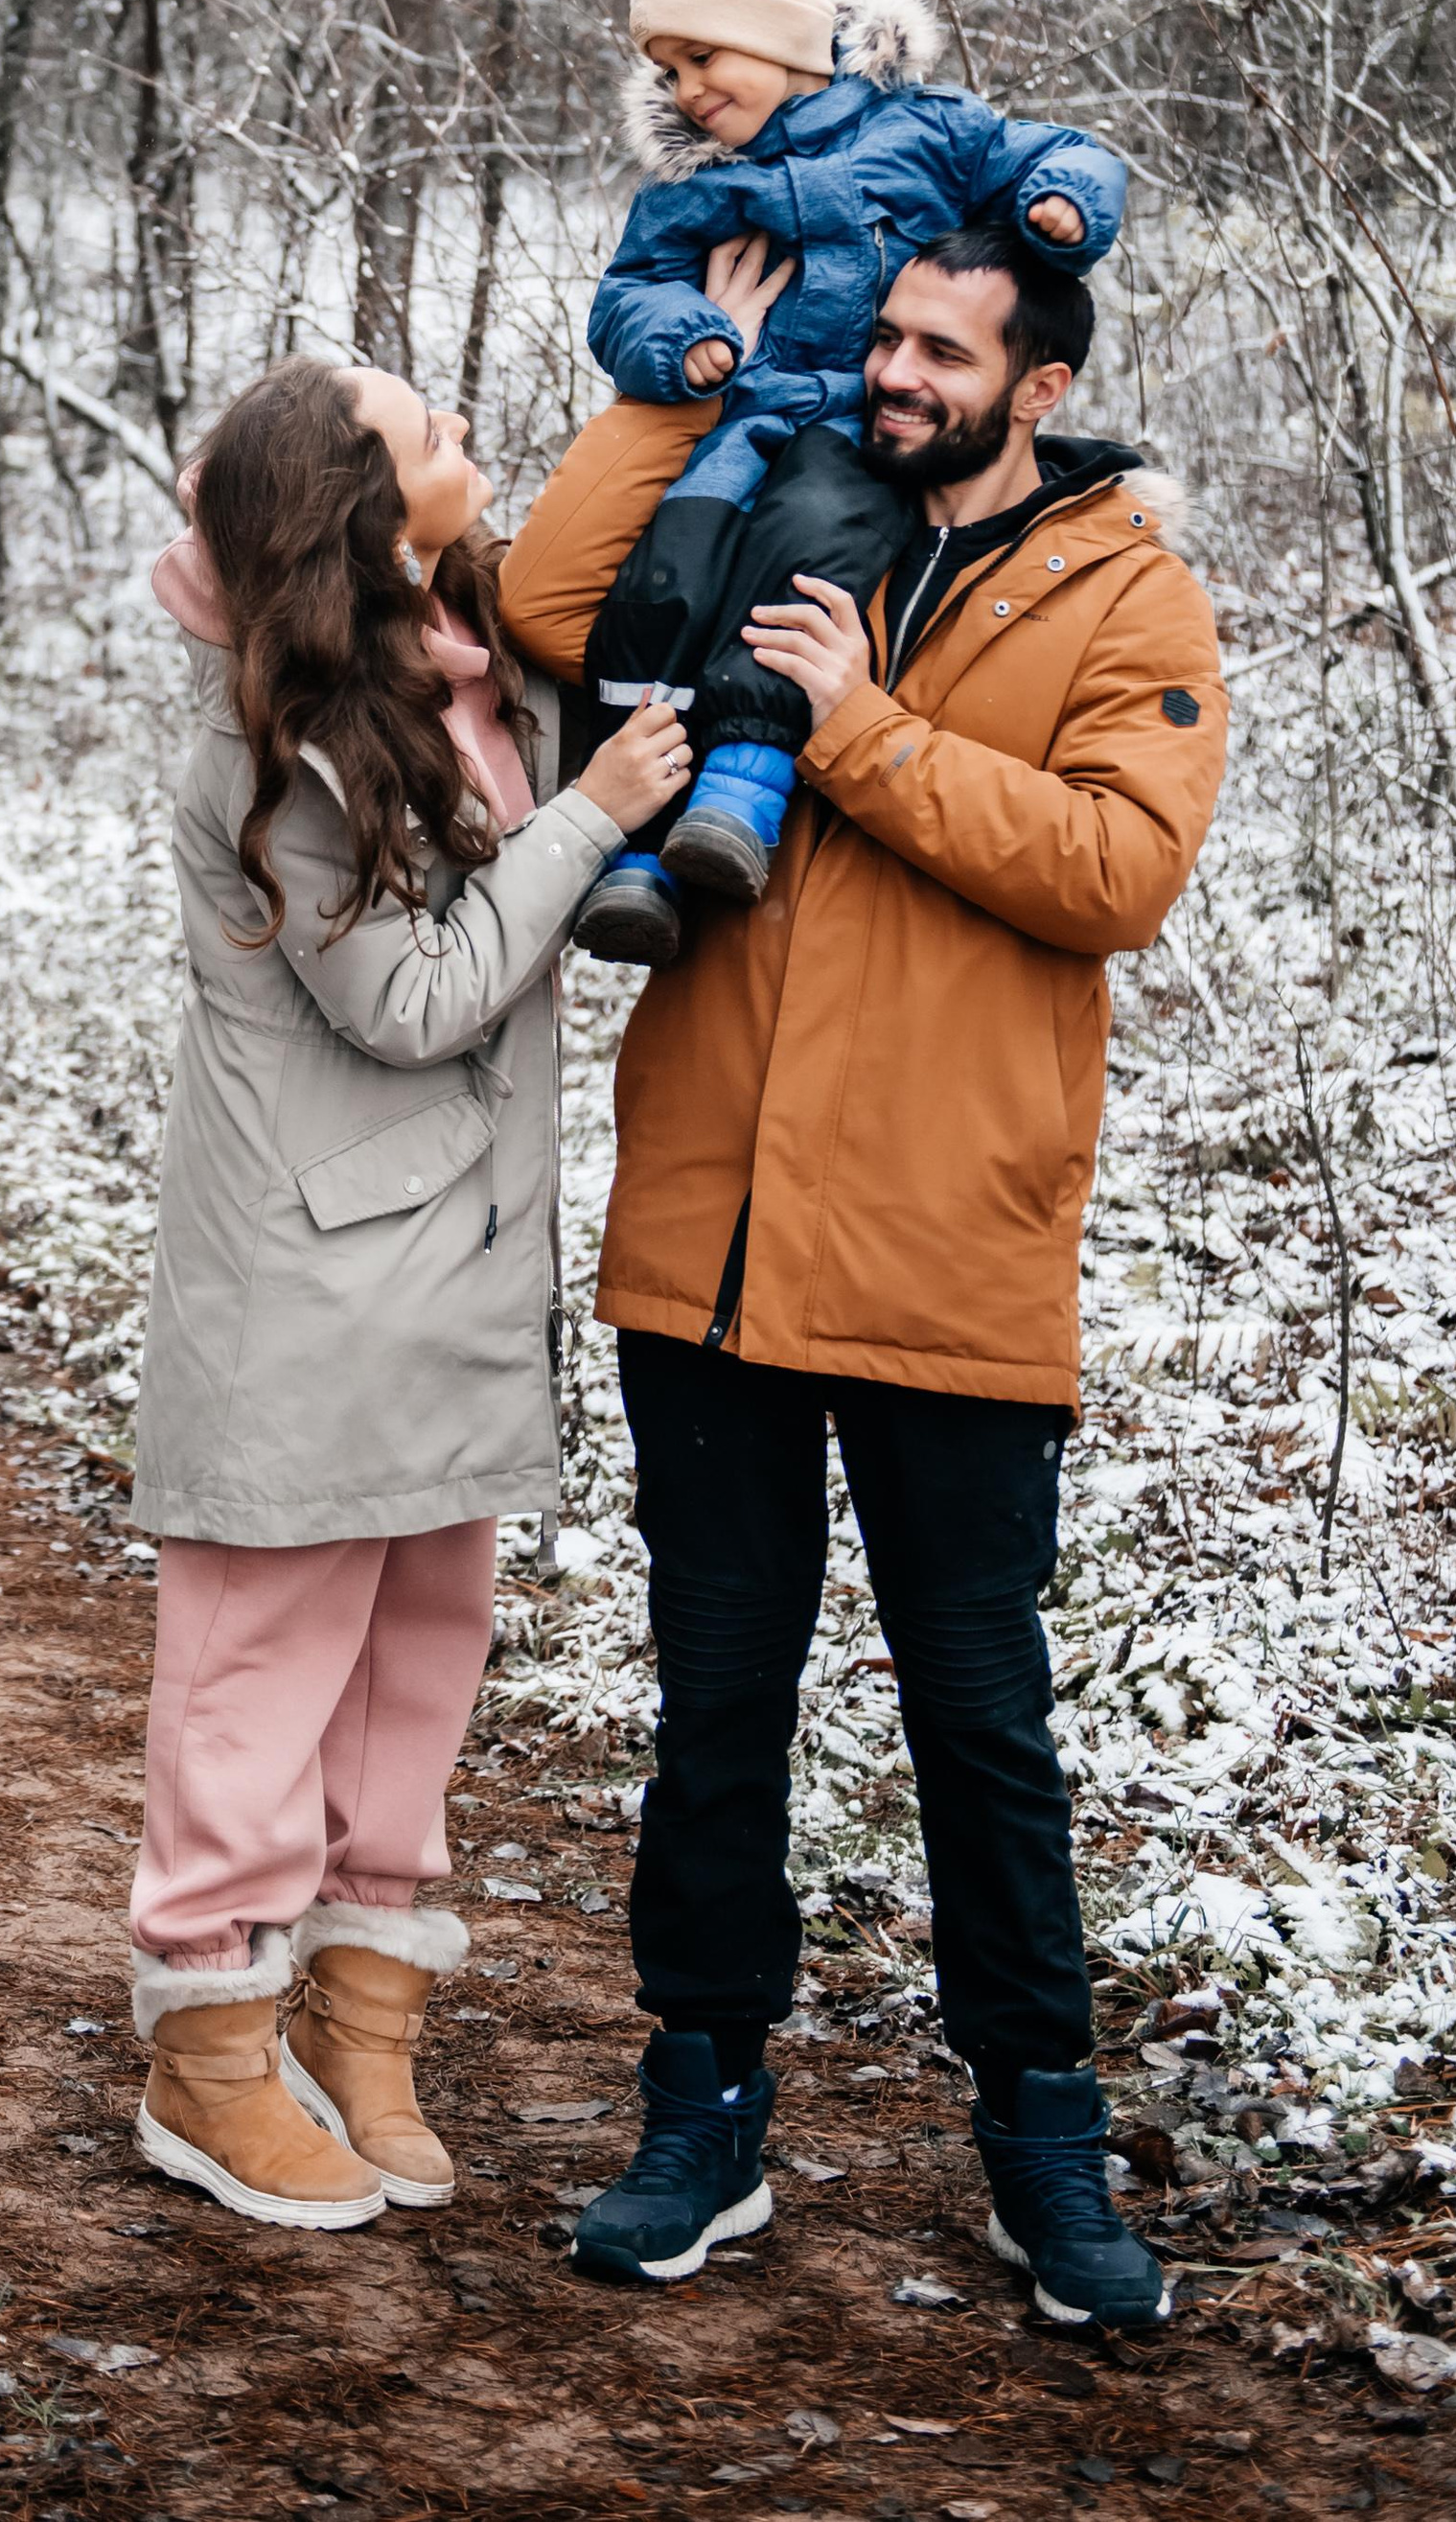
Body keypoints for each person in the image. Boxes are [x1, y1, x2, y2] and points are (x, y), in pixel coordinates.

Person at [499, 225, 1229, 2326]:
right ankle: (699, 2107)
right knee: (714, 1708)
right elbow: (552, 607)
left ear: (1041, 383)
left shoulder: (1123, 592)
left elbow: (1113, 871)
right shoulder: (781, 498)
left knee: (978, 1724)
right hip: (710, 1249)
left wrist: (858, 730)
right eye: (884, 334)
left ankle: (1042, 2140)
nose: (893, 370)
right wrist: (686, 372)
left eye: (937, 348)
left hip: (946, 1251)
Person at [124, 349, 705, 2233]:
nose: (471, 446)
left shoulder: (457, 651)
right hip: (301, 1296)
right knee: (256, 1676)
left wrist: (693, 337)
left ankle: (362, 2025)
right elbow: (413, 999)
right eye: (434, 436)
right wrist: (592, 813)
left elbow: (608, 537)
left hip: (448, 1275)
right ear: (355, 515)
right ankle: (209, 2053)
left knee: (412, 1665)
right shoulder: (271, 745)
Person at [576, 0, 1130, 968]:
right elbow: (627, 296)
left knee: (807, 562)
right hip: (737, 421)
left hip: (856, 426)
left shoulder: (923, 131)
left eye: (702, 54)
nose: (684, 89)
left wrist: (1060, 204)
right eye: (665, 68)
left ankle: (741, 782)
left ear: (783, 34)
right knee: (658, 588)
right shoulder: (693, 185)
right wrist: (688, 344)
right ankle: (631, 850)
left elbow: (1058, 153)